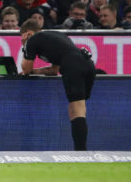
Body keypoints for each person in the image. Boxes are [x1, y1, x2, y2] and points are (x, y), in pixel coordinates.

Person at [20, 19, 96, 151]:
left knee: (76, 110)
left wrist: (24, 45)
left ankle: (81, 153)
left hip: (72, 65)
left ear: (28, 33)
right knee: (79, 109)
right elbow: (54, 70)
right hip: (88, 64)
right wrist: (36, 71)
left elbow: (25, 69)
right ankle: (82, 150)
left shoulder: (33, 39)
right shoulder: (53, 37)